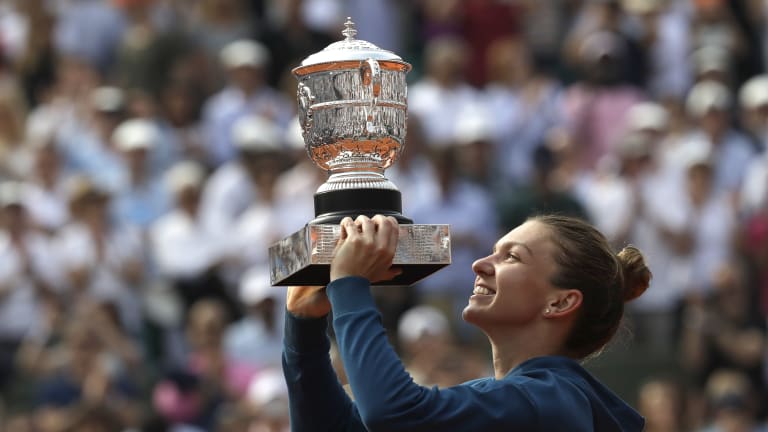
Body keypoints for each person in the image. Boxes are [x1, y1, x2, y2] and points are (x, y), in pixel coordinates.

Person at [283, 214, 652, 431]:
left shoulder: (549, 400)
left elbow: (391, 412)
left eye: (512, 257)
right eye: (493, 250)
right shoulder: (521, 400)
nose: (480, 264)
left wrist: (349, 286)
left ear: (560, 301)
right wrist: (302, 327)